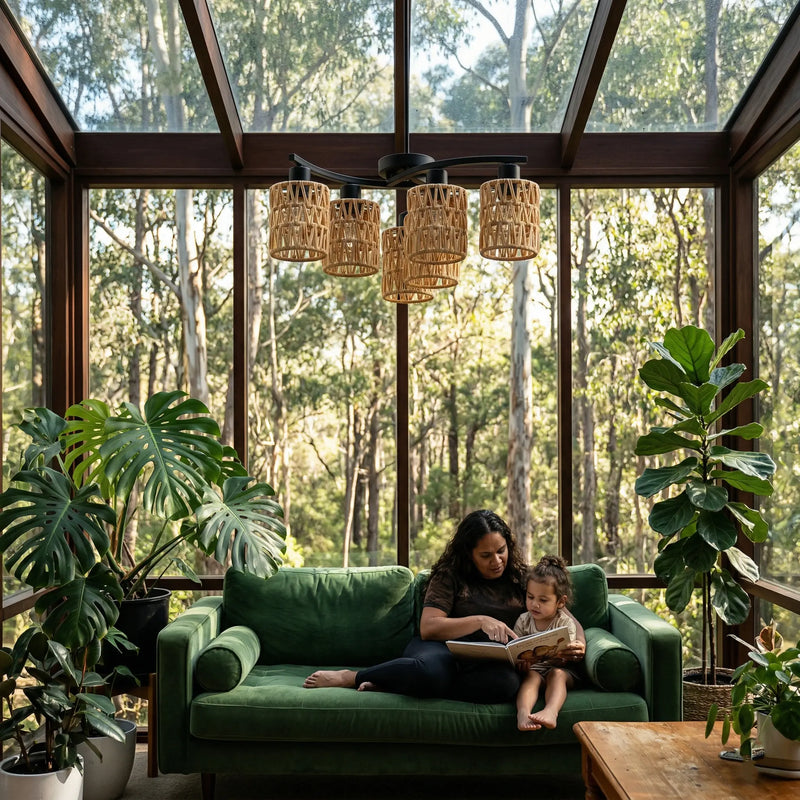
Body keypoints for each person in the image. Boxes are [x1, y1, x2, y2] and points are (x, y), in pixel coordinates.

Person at [303, 509, 528, 703]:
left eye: (501, 551)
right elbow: (429, 628)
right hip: (442, 649)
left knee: (505, 685)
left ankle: (396, 684)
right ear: (469, 555)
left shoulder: (522, 577)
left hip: (488, 661)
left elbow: (552, 615)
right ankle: (350, 677)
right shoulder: (449, 575)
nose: (497, 561)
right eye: (486, 555)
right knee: (431, 674)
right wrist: (480, 620)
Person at [514, 554, 586, 731]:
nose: (534, 604)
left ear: (560, 602)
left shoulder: (564, 623)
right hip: (535, 671)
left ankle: (551, 712)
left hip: (562, 671)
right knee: (531, 677)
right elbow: (515, 647)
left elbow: (568, 654)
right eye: (530, 597)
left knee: (557, 675)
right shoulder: (524, 620)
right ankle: (523, 714)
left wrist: (563, 655)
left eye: (543, 600)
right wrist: (520, 662)